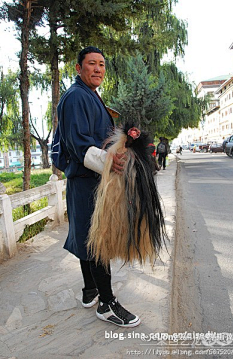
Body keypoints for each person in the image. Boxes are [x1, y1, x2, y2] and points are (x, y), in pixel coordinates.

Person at [57, 46, 140, 328]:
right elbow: (79, 144)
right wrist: (109, 161)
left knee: (86, 237)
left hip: (90, 180)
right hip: (86, 180)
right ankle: (107, 303)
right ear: (78, 68)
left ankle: (90, 290)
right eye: (91, 64)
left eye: (102, 65)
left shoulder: (90, 95)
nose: (98, 69)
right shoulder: (76, 97)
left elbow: (101, 136)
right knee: (98, 240)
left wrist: (126, 138)